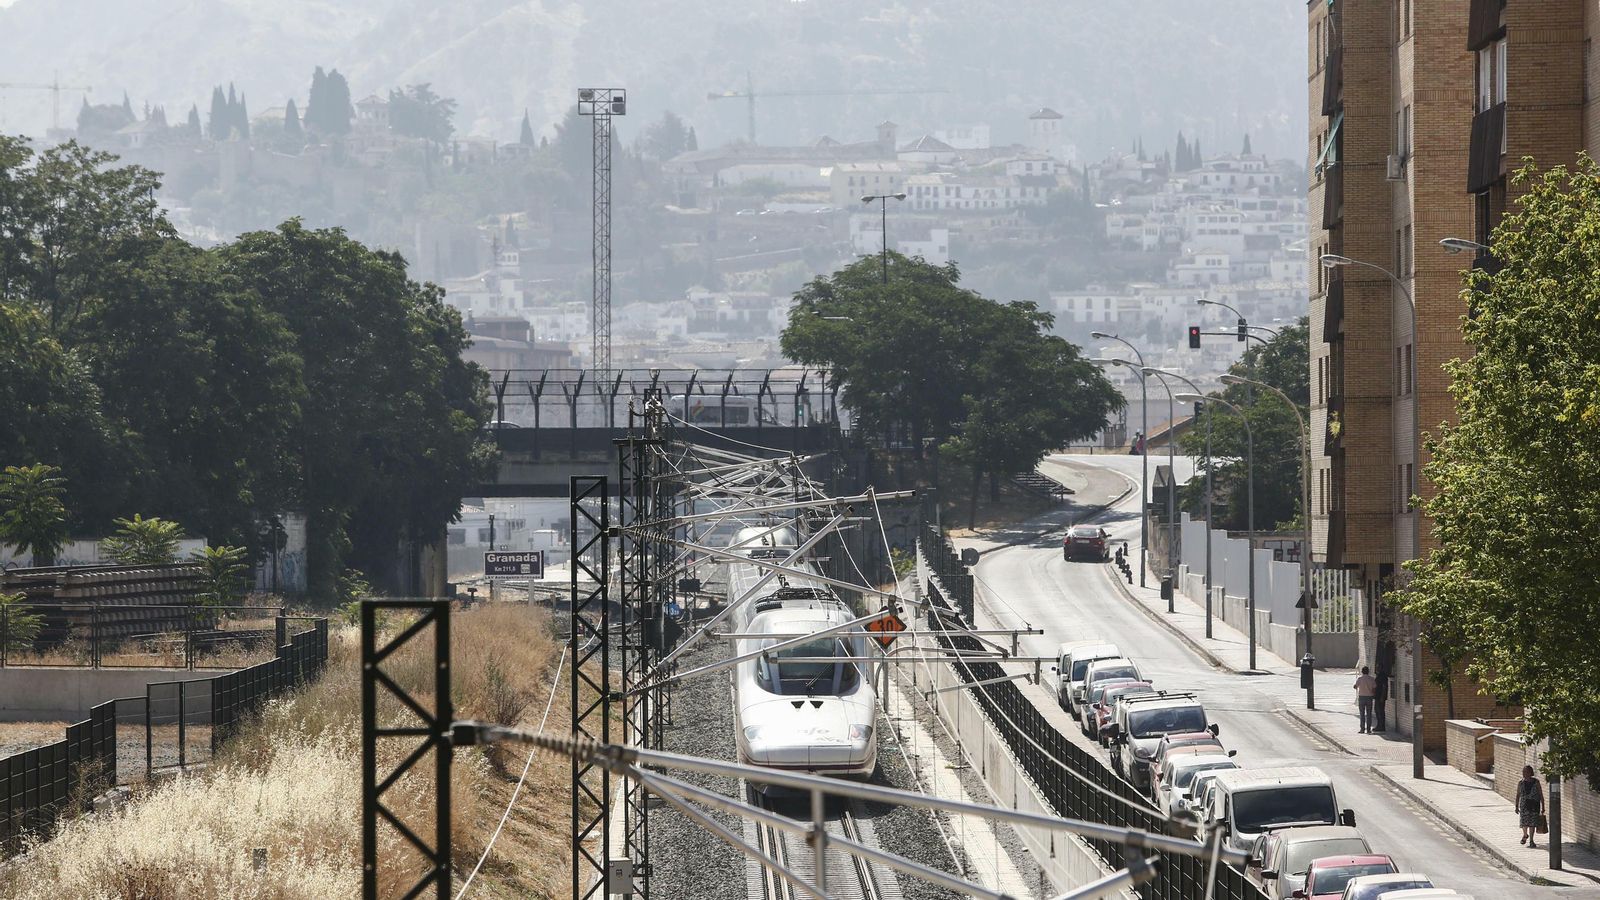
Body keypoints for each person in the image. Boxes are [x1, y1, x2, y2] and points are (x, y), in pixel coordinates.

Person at [1517, 765, 1545, 848]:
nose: (1524, 773)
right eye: (1523, 772)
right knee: (1524, 822)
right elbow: (1518, 794)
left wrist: (1543, 806)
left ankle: (1531, 841)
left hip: (1534, 805)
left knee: (1532, 823)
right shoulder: (1520, 782)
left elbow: (1540, 794)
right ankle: (1525, 835)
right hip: (1524, 805)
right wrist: (1516, 806)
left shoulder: (1536, 782)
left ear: (1530, 772)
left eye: (1526, 772)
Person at [1373, 639, 1395, 733]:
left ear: (1381, 668)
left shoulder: (1382, 676)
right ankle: (1379, 725)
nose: (1377, 668)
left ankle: (1381, 726)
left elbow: (1384, 686)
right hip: (1377, 696)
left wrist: (1382, 696)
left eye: (1378, 667)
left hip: (1380, 697)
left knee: (1380, 711)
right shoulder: (1379, 675)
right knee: (1377, 711)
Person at [1354, 666, 1378, 733]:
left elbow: (1355, 686)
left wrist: (1355, 686)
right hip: (1369, 697)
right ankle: (1368, 729)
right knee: (1369, 714)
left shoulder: (1360, 679)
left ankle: (1362, 729)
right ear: (1368, 671)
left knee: (1362, 714)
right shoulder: (1372, 679)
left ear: (1362, 671)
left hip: (1362, 697)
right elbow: (1374, 688)